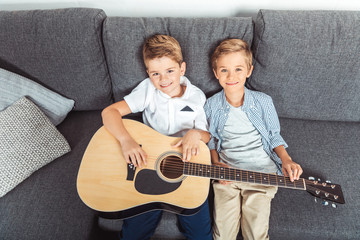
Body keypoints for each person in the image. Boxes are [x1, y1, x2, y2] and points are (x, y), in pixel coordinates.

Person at [101, 34, 212, 240]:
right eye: (155, 74)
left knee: (201, 235)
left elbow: (206, 136)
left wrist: (195, 134)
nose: (163, 80)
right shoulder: (148, 90)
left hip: (186, 164)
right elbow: (109, 113)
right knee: (134, 231)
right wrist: (126, 141)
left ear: (182, 69)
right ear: (148, 73)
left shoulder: (197, 97)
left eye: (170, 71)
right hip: (149, 163)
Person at [204, 39, 303, 240]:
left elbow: (274, 136)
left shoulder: (263, 101)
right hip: (227, 176)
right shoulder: (210, 105)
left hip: (261, 174)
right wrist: (216, 164)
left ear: (249, 70)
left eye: (238, 69)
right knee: (222, 234)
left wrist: (286, 160)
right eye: (224, 70)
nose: (231, 76)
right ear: (216, 73)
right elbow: (211, 140)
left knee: (256, 233)